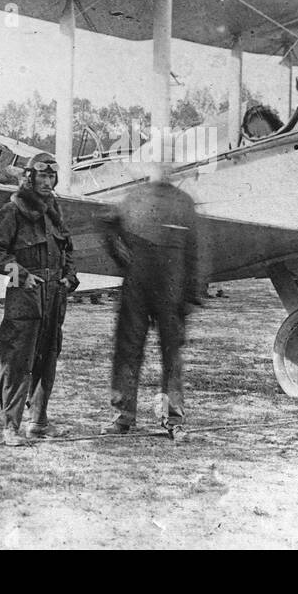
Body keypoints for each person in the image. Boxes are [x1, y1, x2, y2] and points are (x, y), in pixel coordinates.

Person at [0, 153, 78, 447]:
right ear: (30, 178)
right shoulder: (13, 211)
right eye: (42, 177)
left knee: (48, 358)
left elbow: (68, 250)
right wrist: (20, 274)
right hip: (26, 296)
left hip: (54, 297)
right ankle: (11, 426)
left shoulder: (53, 211)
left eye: (51, 177)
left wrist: (68, 278)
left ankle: (38, 423)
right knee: (18, 360)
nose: (47, 182)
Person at [100, 163, 202, 441]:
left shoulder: (184, 203)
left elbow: (193, 251)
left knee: (172, 355)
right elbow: (111, 232)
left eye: (168, 165)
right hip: (138, 286)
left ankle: (173, 418)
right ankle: (123, 416)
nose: (164, 171)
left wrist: (191, 294)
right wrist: (126, 265)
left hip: (172, 289)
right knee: (128, 350)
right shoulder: (133, 199)